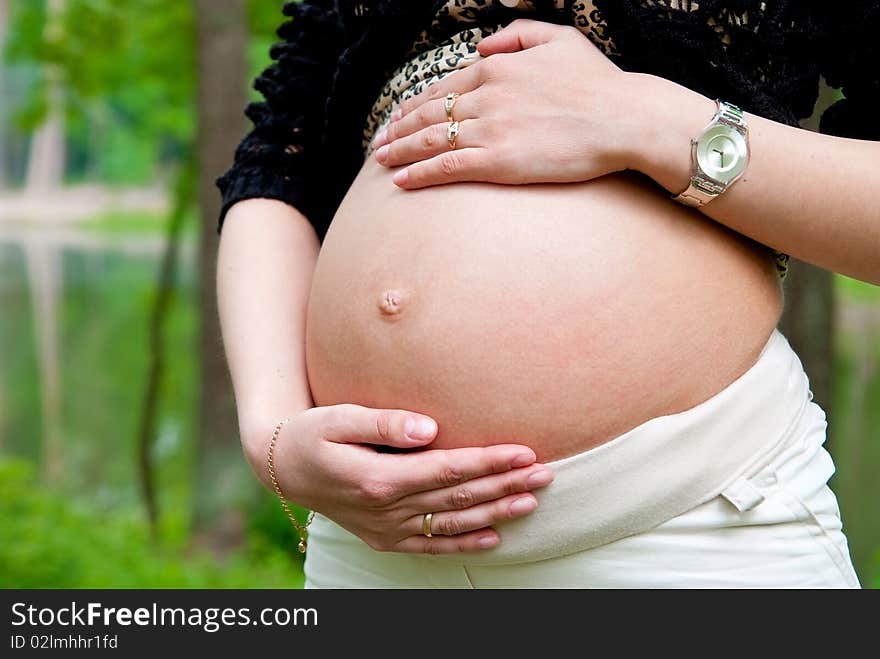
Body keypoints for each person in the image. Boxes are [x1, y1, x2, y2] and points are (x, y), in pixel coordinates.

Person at [215, 0, 878, 587]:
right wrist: (272, 435)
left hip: (687, 533)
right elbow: (277, 166)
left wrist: (652, 121)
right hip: (371, 551)